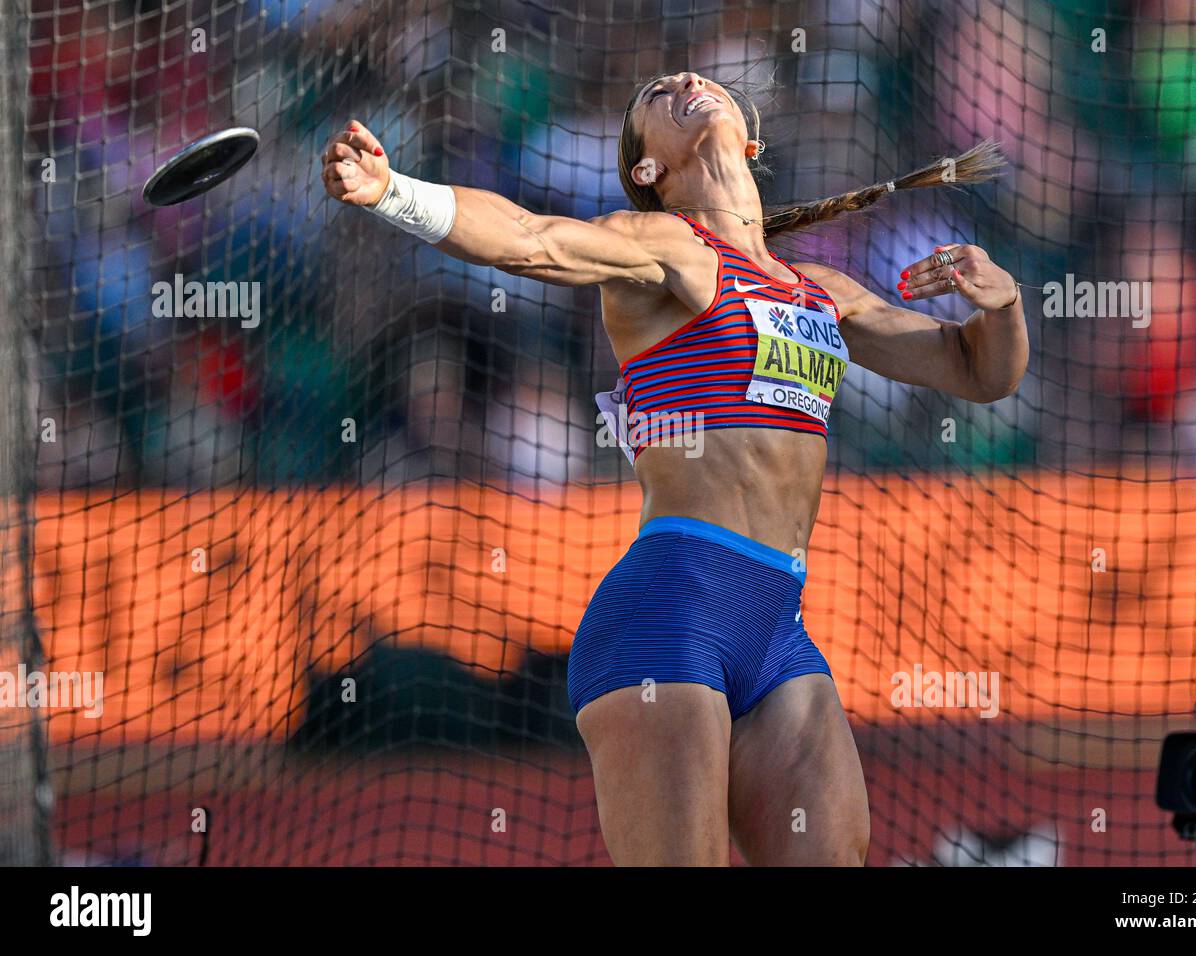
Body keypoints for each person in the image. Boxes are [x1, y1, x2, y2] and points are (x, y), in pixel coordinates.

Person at [320, 71, 1028, 865]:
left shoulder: (822, 293)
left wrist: (1000, 304)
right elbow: (529, 238)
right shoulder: (665, 247)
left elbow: (979, 372)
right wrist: (391, 192)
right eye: (657, 95)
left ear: (750, 142)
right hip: (670, 613)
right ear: (648, 171)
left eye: (697, 82)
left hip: (779, 629)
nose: (685, 81)